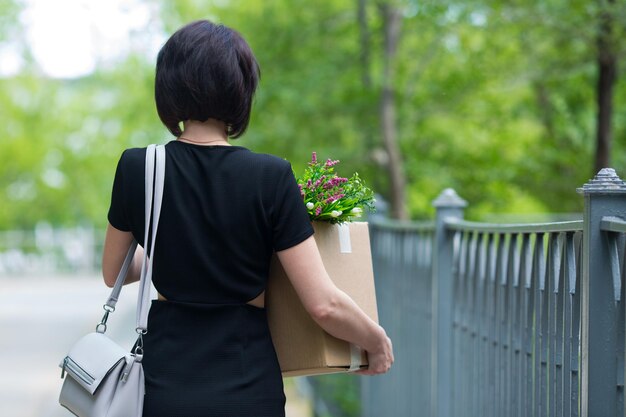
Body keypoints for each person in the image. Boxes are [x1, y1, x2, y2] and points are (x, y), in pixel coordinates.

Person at [102, 19, 393, 417]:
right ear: (240, 90)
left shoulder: (140, 168)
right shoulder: (270, 176)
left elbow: (114, 270)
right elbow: (323, 304)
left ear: (167, 87)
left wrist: (174, 248)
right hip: (247, 390)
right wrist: (375, 342)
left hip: (166, 388)